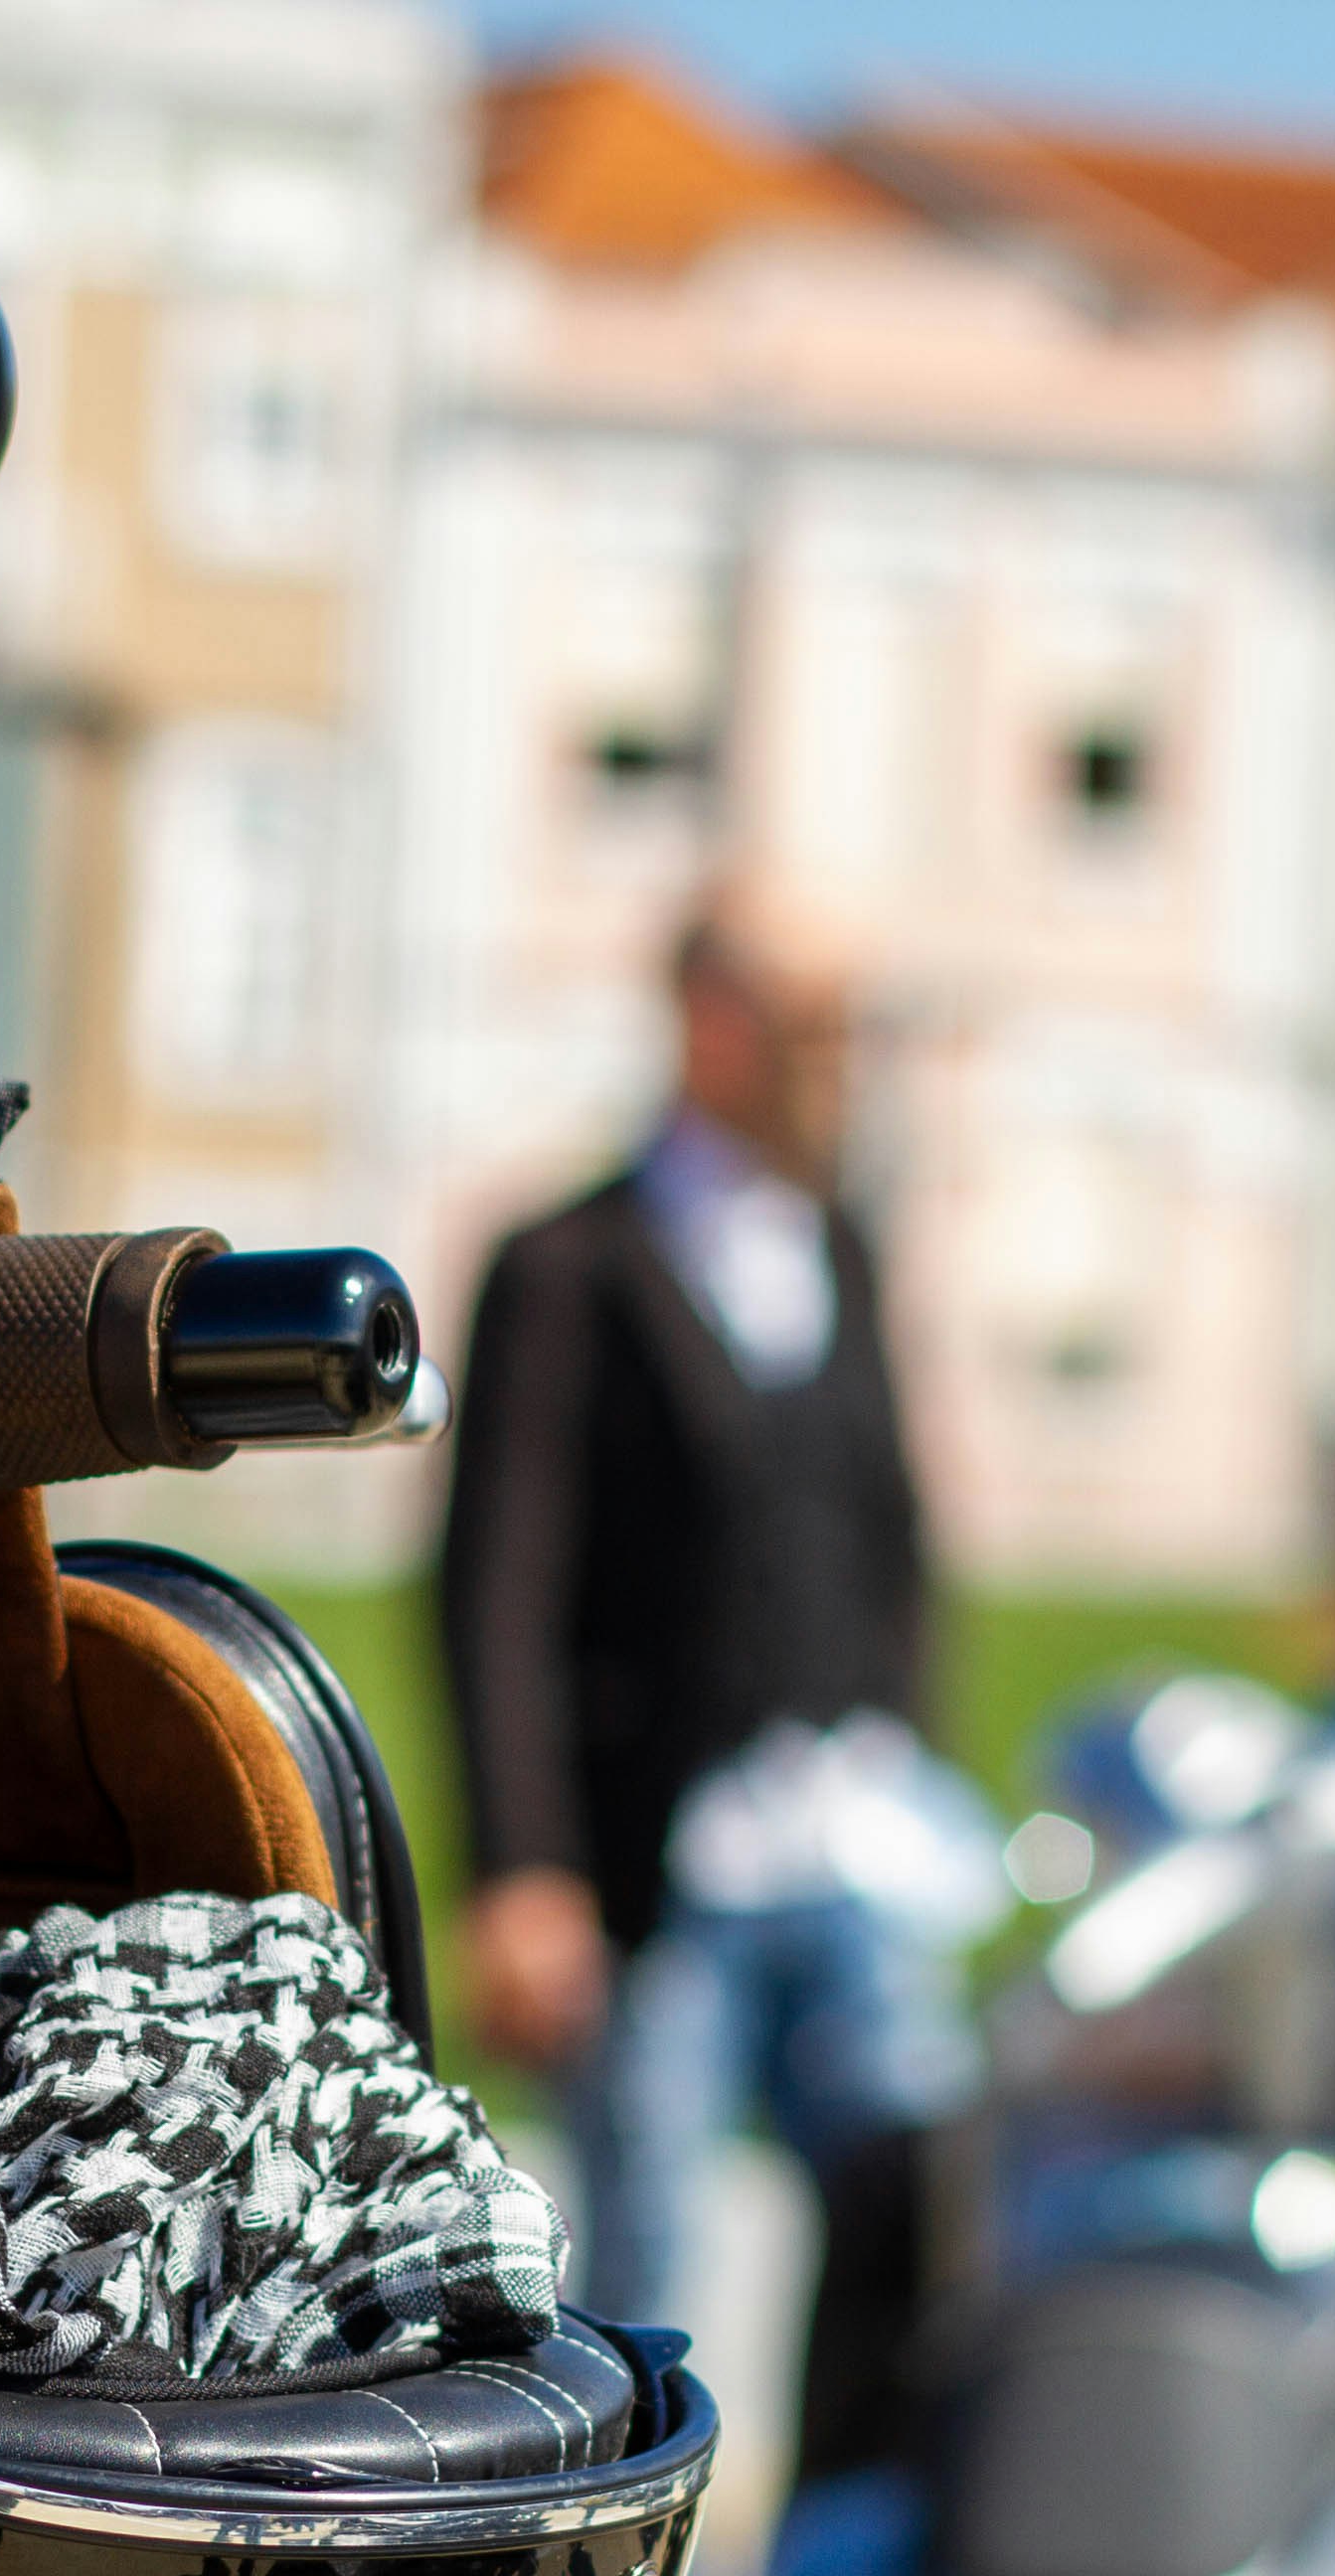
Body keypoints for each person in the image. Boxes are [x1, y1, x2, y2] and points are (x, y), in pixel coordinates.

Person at [437, 887, 978, 2489]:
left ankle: (845, 2548)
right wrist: (522, 1864)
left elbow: (892, 1533)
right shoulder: (571, 1265)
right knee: (650, 2250)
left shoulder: (843, 1250)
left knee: (910, 2185)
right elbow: (502, 1585)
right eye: (816, 1030)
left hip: (842, 1843)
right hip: (656, 1853)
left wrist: (909, 1741)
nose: (843, 1070)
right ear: (713, 1025)